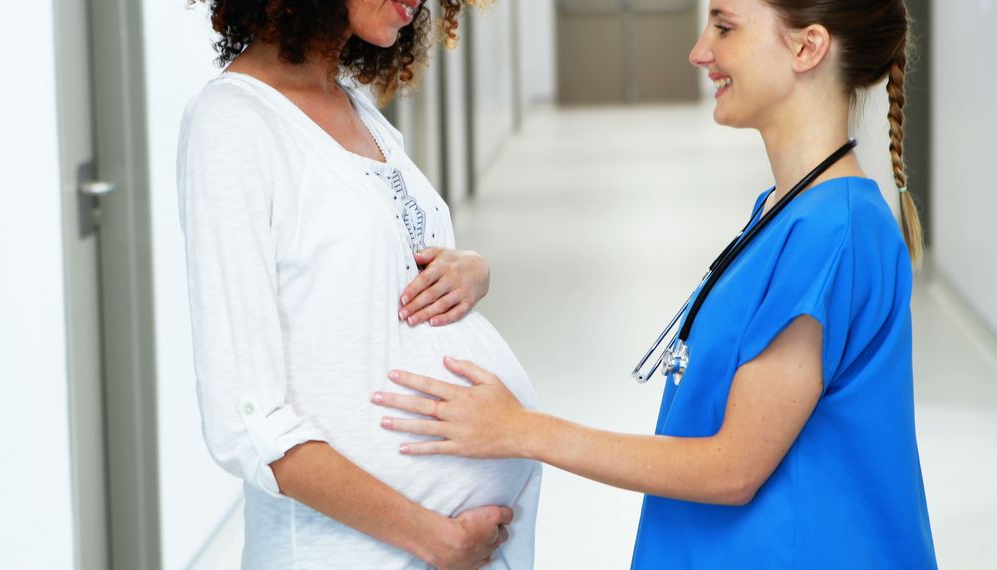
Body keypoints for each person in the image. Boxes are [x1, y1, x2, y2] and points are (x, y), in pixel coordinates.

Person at [372, 0, 938, 567]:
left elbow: (733, 468)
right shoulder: (785, 211)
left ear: (806, 47)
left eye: (724, 27)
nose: (700, 52)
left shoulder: (834, 231)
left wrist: (520, 430)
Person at [177, 1, 540, 568]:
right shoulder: (233, 124)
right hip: (354, 552)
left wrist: (469, 268)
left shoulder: (355, 105)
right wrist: (430, 536)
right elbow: (244, 422)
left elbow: (375, 269)